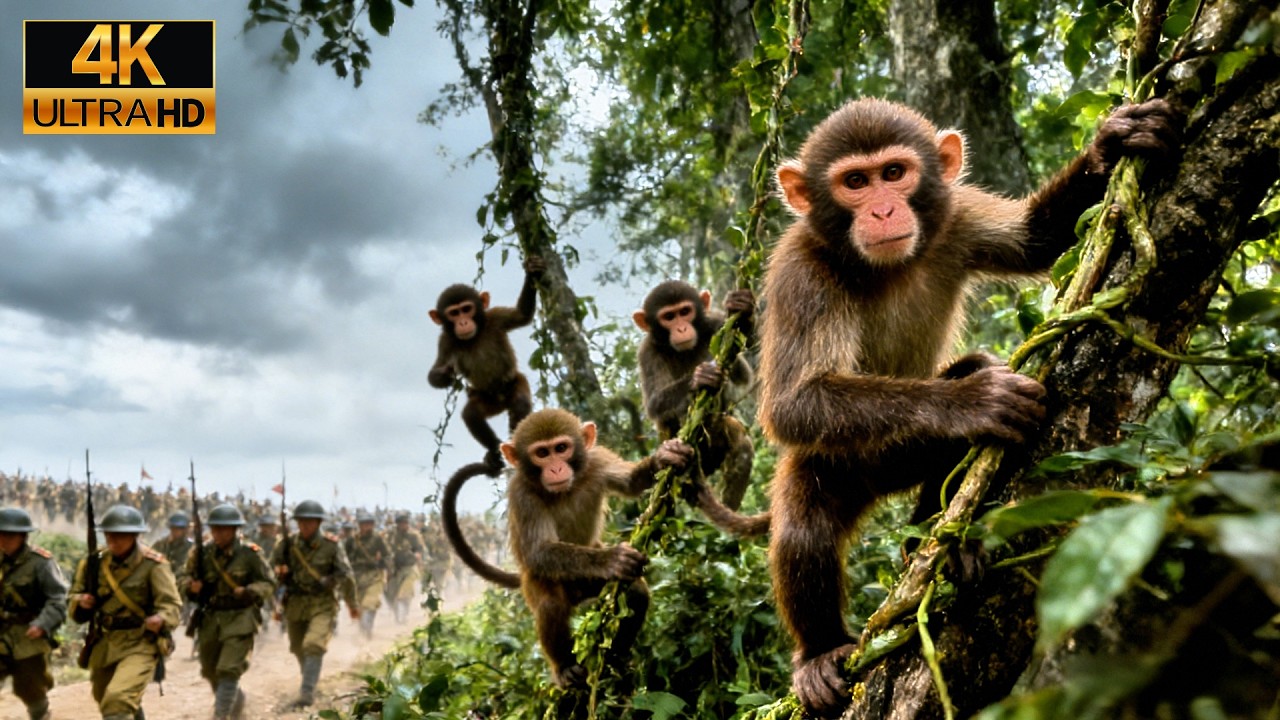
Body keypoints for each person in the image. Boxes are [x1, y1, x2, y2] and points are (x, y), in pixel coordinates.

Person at [71, 505, 182, 720]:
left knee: (118, 701)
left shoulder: (153, 565)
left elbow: (171, 605)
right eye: (109, 534)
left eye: (121, 535)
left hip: (140, 642)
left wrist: (161, 618)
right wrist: (80, 601)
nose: (113, 539)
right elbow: (74, 595)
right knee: (105, 698)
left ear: (134, 535)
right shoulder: (93, 563)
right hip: (105, 642)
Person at [183, 504, 275, 720]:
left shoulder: (249, 554)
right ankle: (236, 699)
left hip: (240, 617)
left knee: (228, 669)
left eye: (224, 529)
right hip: (210, 618)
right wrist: (190, 586)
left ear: (235, 530)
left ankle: (220, 715)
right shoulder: (201, 553)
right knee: (210, 670)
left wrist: (249, 591)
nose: (219, 533)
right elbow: (182, 577)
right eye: (215, 529)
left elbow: (268, 582)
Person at [270, 500, 358, 708]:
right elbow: (272, 568)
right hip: (295, 603)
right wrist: (279, 571)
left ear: (318, 523)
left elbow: (345, 575)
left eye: (310, 522)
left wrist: (351, 603)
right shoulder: (286, 544)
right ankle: (309, 679)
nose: (305, 525)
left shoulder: (331, 545)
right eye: (301, 521)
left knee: (313, 644)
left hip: (322, 603)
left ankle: (306, 693)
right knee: (298, 647)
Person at [0, 507, 67, 720]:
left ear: (22, 536)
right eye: (1, 534)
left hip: (28, 634)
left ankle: (41, 715)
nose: (4, 539)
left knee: (29, 687)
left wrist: (42, 624)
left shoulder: (40, 562)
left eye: (9, 535)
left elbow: (58, 599)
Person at [343, 512, 390, 639]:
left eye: (369, 524)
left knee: (370, 603)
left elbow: (387, 555)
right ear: (359, 525)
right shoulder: (351, 540)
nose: (367, 527)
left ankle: (366, 632)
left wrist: (382, 563)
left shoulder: (377, 539)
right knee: (359, 607)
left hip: (373, 576)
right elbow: (344, 557)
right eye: (364, 524)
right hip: (357, 578)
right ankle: (365, 631)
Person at [150, 511, 194, 628]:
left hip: (181, 580)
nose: (177, 532)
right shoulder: (160, 545)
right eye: (175, 528)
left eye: (181, 529)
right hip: (162, 580)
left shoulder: (191, 548)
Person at [385, 512, 424, 624]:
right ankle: (397, 615)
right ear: (397, 524)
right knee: (391, 593)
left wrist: (417, 555)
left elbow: (419, 549)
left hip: (409, 567)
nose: (403, 525)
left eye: (405, 522)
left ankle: (404, 613)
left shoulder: (414, 535)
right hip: (394, 568)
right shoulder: (391, 535)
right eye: (401, 523)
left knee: (405, 592)